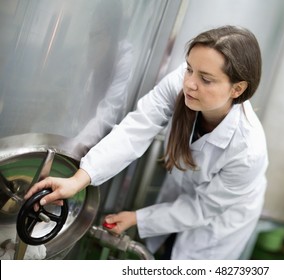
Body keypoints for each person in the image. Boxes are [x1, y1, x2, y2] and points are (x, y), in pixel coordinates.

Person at [25, 25, 269, 260]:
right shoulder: (181, 85)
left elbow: (203, 208)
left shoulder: (248, 151)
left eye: (206, 79)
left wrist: (138, 219)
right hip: (184, 194)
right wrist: (78, 179)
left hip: (220, 219)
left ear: (237, 89)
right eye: (189, 69)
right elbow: (136, 129)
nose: (189, 84)